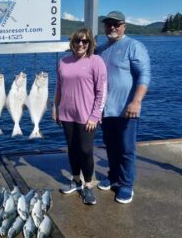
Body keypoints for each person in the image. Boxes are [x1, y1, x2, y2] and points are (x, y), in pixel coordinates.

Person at [96, 11, 151, 204]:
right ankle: (113, 177)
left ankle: (126, 184)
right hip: (105, 109)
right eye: (108, 24)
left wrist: (136, 101)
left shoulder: (134, 46)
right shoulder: (101, 49)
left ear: (124, 26)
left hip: (126, 109)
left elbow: (144, 75)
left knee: (127, 149)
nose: (112, 27)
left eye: (116, 24)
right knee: (110, 146)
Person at [53, 28, 107, 205]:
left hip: (87, 116)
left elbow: (101, 91)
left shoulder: (96, 61)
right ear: (72, 43)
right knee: (72, 149)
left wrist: (95, 115)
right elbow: (59, 88)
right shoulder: (63, 61)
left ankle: (88, 185)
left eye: (85, 41)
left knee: (85, 150)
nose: (81, 44)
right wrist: (55, 107)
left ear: (90, 43)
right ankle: (76, 180)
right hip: (67, 114)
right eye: (77, 41)